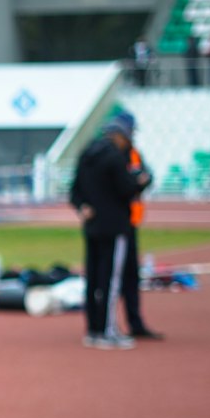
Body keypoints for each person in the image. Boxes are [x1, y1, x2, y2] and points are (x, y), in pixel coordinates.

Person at [69, 110, 152, 349]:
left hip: (92, 225)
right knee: (111, 280)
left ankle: (94, 329)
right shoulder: (115, 157)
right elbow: (126, 189)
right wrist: (140, 182)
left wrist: (83, 206)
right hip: (115, 226)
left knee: (94, 278)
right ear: (121, 134)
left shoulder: (87, 153)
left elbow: (74, 190)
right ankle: (108, 331)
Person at [121, 142, 163, 340]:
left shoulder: (135, 154)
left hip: (131, 221)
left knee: (131, 275)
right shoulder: (111, 156)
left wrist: (141, 182)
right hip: (115, 223)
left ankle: (135, 322)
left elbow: (147, 176)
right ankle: (103, 326)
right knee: (112, 278)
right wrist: (136, 182)